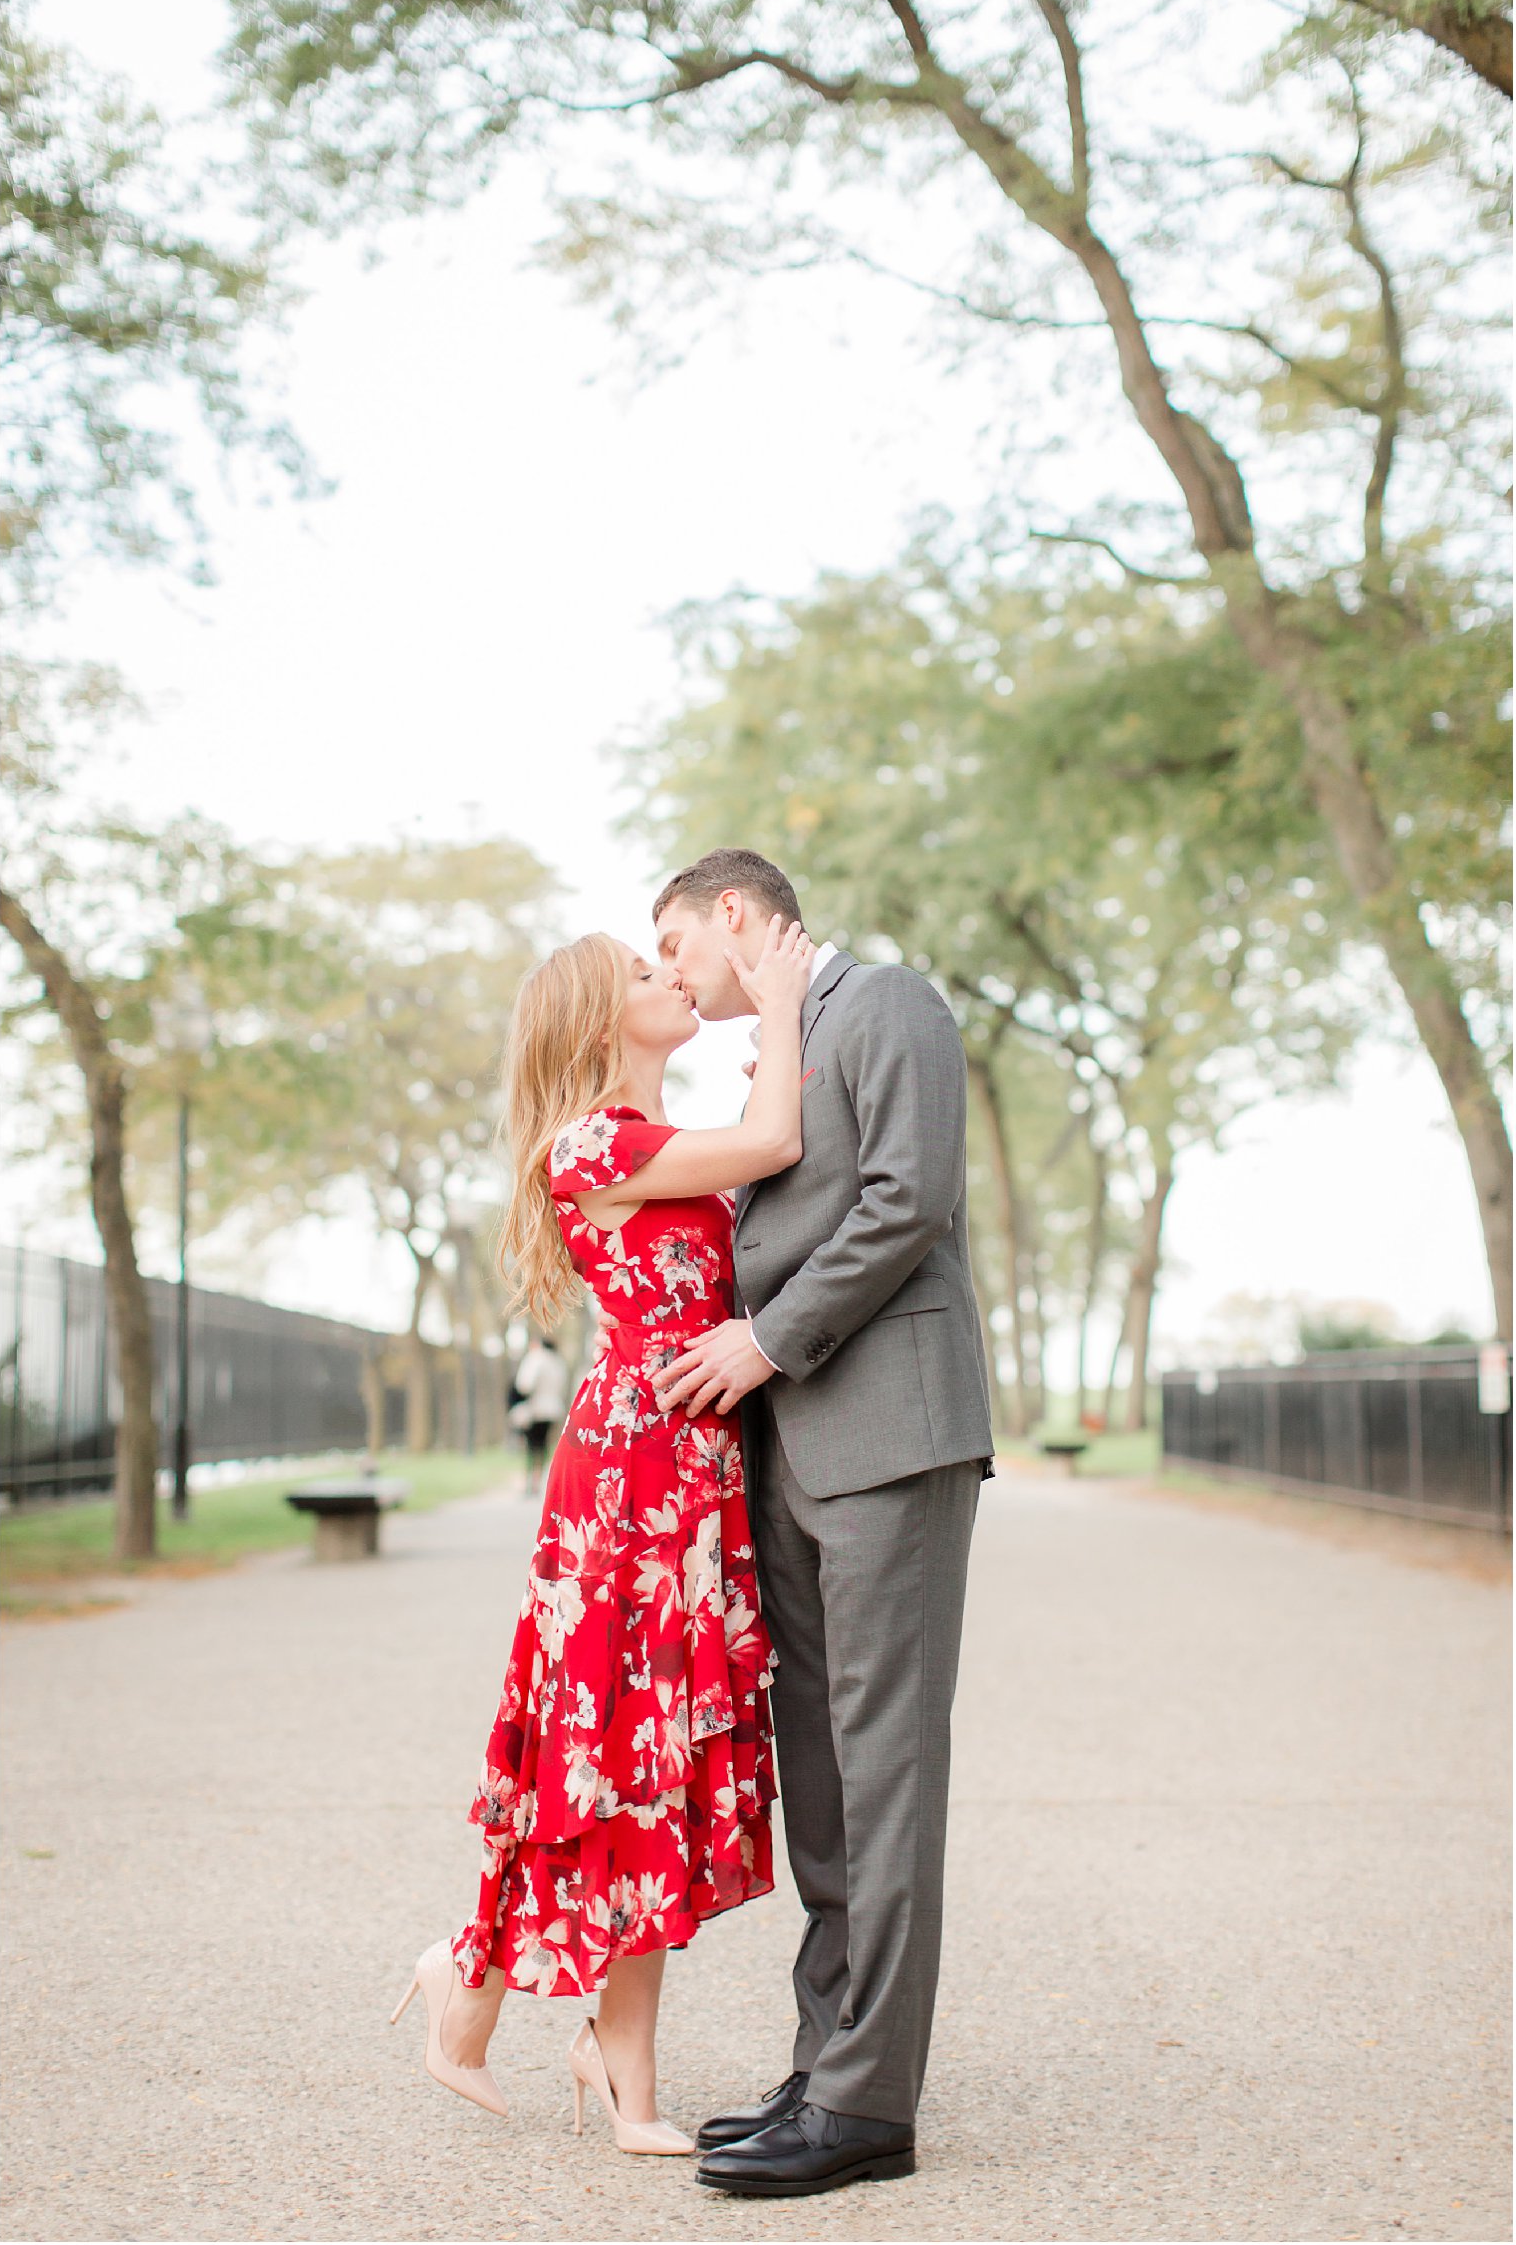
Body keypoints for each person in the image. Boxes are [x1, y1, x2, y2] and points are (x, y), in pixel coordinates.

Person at [391, 915, 815, 2157]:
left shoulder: (664, 1141)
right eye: (643, 971)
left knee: (654, 1765)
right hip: (628, 1477)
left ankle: (609, 2069)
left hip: (687, 1467)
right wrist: (782, 1002)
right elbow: (779, 1137)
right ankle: (466, 1969)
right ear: (594, 1020)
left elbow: (764, 1163)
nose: (668, 975)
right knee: (612, 1746)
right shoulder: (592, 1139)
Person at [651, 847, 995, 2200]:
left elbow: (907, 1199)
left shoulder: (892, 1007)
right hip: (791, 1456)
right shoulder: (783, 1057)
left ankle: (867, 2108)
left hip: (888, 1435)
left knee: (886, 1766)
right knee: (827, 1774)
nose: (671, 972)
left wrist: (767, 1343)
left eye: (673, 942)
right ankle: (824, 2064)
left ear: (736, 914)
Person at [510, 1331, 568, 1495]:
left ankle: (528, 1482)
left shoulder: (536, 1358)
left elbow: (524, 1384)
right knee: (543, 1446)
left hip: (534, 1410)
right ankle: (537, 1481)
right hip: (552, 1409)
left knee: (530, 1446)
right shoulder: (558, 1362)